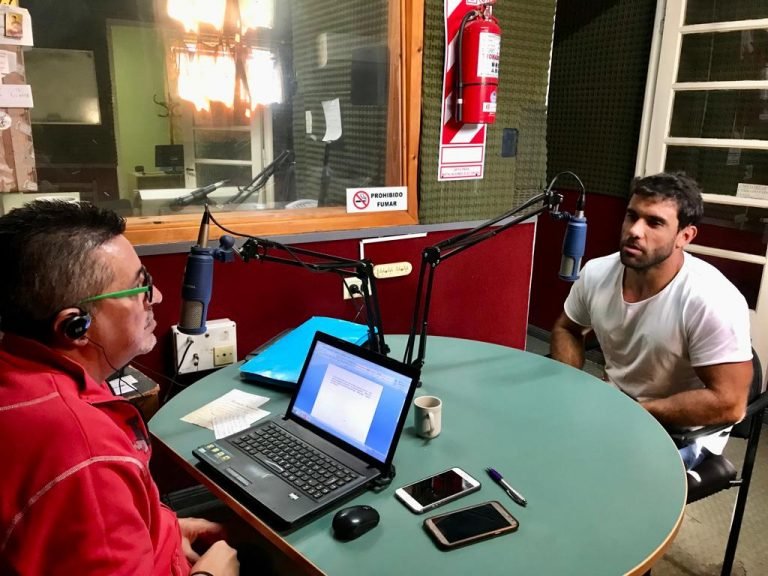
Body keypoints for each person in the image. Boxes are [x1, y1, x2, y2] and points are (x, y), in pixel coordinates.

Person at [0, 201, 239, 575]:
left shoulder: (20, 371)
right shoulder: (85, 452)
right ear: (76, 326)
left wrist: (160, 527)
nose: (156, 298)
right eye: (140, 287)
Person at [550, 172, 753, 470]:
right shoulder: (596, 273)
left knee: (599, 475)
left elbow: (730, 403)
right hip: (617, 408)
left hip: (683, 431)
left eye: (654, 222)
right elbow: (567, 328)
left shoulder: (711, 299)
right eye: (632, 216)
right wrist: (573, 387)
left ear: (685, 236)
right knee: (541, 445)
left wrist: (637, 412)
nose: (635, 230)